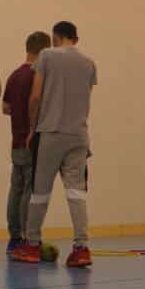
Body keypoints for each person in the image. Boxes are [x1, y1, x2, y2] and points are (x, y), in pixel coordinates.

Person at [11, 21, 97, 268]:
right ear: (76, 38)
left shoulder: (47, 55)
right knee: (76, 193)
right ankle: (81, 248)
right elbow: (84, 100)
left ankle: (32, 245)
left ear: (55, 38)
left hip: (50, 132)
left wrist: (31, 129)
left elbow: (35, 96)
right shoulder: (89, 63)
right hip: (79, 135)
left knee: (40, 192)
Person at [2, 31, 50, 254]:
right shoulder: (38, 76)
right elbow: (38, 101)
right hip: (34, 141)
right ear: (44, 51)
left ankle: (14, 237)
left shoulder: (14, 76)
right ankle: (26, 237)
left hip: (16, 140)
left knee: (16, 189)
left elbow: (6, 108)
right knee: (30, 190)